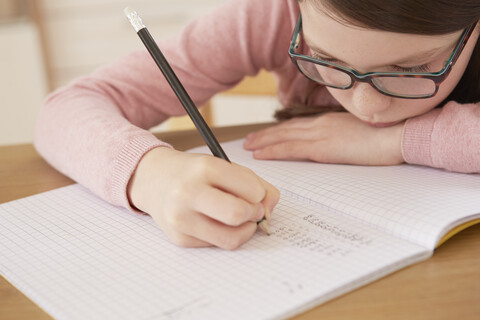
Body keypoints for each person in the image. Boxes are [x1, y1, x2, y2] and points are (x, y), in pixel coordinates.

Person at [34, 0, 480, 249]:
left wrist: (400, 141)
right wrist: (148, 174)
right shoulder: (274, 14)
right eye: (324, 60)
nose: (367, 106)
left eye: (409, 70)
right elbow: (65, 109)